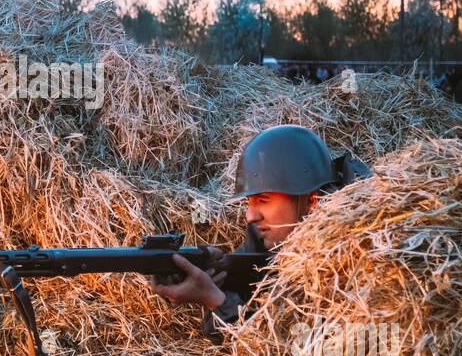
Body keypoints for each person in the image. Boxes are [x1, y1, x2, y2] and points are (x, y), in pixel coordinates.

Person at [150, 124, 370, 336]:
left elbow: (289, 347)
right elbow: (236, 337)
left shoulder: (360, 248)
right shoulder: (265, 235)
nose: (250, 215)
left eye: (263, 200)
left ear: (311, 200)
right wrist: (207, 276)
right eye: (249, 202)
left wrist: (214, 300)